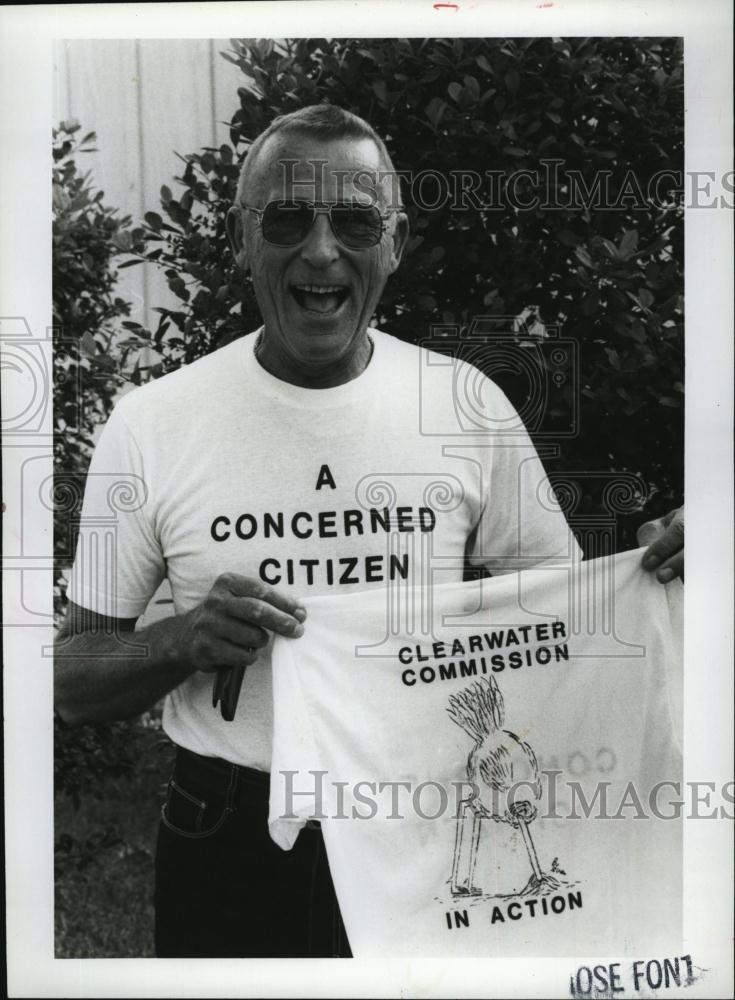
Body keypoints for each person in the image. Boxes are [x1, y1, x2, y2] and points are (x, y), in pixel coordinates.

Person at [54, 104, 684, 958]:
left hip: (423, 828)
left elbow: (558, 633)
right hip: (228, 837)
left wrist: (657, 573)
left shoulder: (461, 406)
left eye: (354, 221)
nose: (320, 251)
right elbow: (69, 679)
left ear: (394, 243)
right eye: (286, 219)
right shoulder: (152, 425)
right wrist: (182, 640)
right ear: (244, 240)